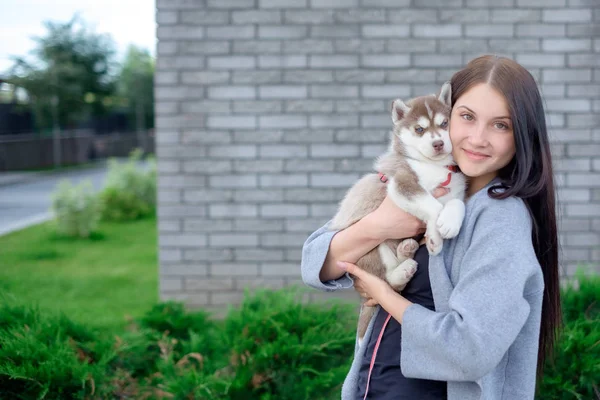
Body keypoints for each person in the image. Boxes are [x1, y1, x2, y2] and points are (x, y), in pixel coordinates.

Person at [300, 55, 561, 400]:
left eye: (501, 125)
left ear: (522, 136)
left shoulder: (499, 217)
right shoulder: (424, 184)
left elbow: (468, 349)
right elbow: (314, 264)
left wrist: (384, 295)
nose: (478, 138)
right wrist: (379, 225)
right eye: (467, 117)